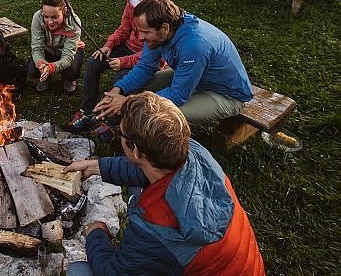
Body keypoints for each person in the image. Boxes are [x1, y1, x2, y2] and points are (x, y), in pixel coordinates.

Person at [64, 92, 265, 275]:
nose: (118, 134)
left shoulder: (155, 231)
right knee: (137, 188)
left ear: (135, 150)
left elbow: (111, 273)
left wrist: (96, 234)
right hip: (243, 266)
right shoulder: (195, 153)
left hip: (184, 251)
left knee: (78, 271)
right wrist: (95, 166)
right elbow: (144, 165)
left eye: (121, 133)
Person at [94, 0, 253, 129]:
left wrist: (127, 103)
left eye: (145, 32)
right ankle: (122, 132)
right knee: (136, 91)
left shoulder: (194, 46)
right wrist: (118, 90)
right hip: (195, 79)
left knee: (154, 115)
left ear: (164, 28)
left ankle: (152, 156)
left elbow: (178, 95)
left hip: (225, 94)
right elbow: (145, 67)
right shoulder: (162, 31)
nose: (140, 37)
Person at [69, 0, 172, 136]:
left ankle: (112, 124)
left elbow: (154, 55)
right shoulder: (133, 0)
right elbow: (124, 27)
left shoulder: (163, 14)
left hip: (145, 57)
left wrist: (124, 62)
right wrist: (109, 45)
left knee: (120, 78)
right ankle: (87, 111)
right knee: (94, 62)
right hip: (128, 46)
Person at [28, 0, 85, 93]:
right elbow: (37, 47)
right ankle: (45, 76)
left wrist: (53, 67)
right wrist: (41, 64)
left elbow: (68, 55)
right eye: (46, 16)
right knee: (32, 71)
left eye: (55, 17)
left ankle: (69, 79)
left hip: (68, 51)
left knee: (71, 73)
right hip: (48, 49)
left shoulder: (74, 22)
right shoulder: (37, 17)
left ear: (65, 10)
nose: (50, 21)